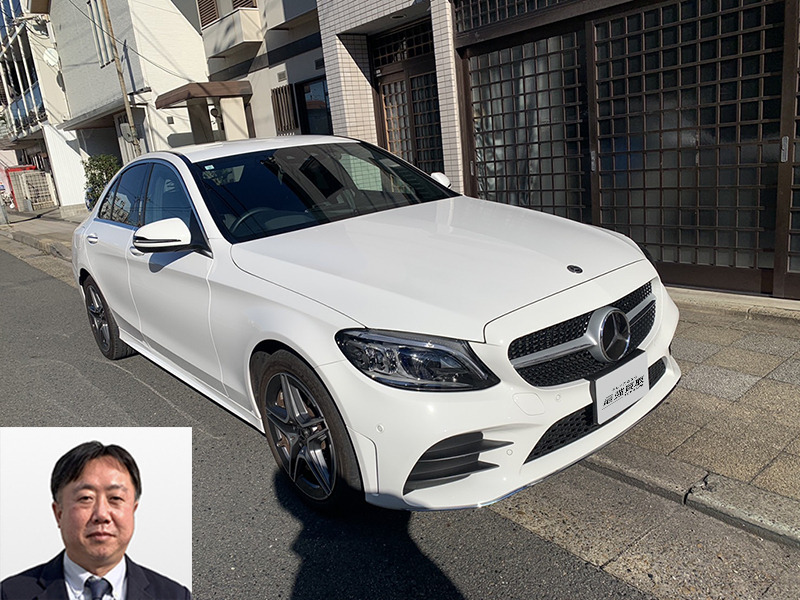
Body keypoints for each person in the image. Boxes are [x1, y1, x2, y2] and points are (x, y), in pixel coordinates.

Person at [0, 441, 191, 600]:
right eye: (86, 498)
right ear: (58, 513)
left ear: (133, 510)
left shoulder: (174, 595)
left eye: (115, 498)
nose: (102, 514)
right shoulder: (10, 594)